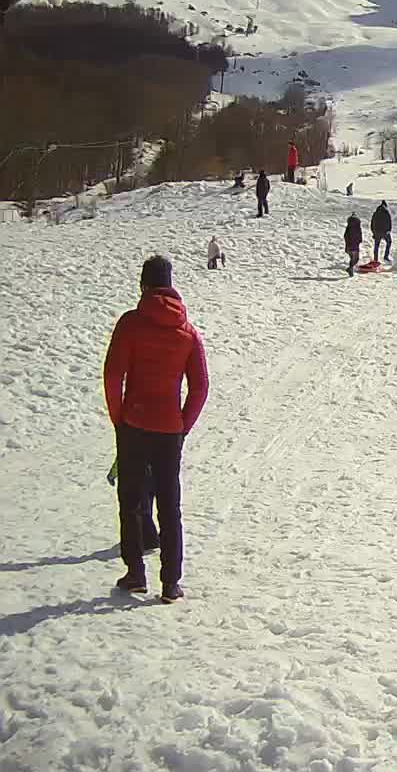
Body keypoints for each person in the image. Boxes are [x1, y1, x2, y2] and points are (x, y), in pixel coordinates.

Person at [104, 255, 208, 602]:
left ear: (144, 285)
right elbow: (200, 387)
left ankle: (135, 573)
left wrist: (118, 417)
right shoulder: (187, 332)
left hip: (133, 424)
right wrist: (183, 426)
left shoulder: (130, 323)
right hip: (168, 429)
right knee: (169, 504)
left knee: (131, 499)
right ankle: (170, 583)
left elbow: (113, 374)